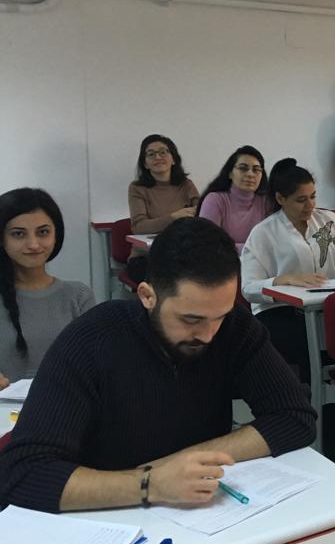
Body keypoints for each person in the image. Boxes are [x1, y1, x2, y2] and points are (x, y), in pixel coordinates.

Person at [0, 217, 316, 513]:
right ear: (148, 296)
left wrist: (185, 462)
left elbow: (294, 416)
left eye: (219, 316)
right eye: (190, 319)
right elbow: (24, 473)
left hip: (197, 516)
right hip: (107, 518)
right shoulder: (92, 340)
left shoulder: (234, 327)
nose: (208, 335)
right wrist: (151, 483)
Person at [241, 158, 335, 382]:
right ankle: (313, 394)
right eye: (301, 200)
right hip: (280, 311)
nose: (310, 205)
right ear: (281, 199)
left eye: (313, 197)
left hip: (325, 306)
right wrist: (284, 280)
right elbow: (248, 288)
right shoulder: (264, 232)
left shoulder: (330, 220)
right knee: (308, 341)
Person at [0, 188, 94, 386]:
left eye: (43, 232)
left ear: (56, 234)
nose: (34, 244)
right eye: (18, 234)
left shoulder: (78, 296)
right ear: (2, 239)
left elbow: (97, 362)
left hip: (68, 401)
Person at [127, 134, 199, 283]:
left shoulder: (186, 185)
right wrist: (173, 217)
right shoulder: (137, 188)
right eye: (151, 154)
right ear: (145, 164)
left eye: (163, 152)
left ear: (173, 159)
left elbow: (201, 214)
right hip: (147, 257)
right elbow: (139, 227)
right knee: (171, 281)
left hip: (181, 253)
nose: (158, 157)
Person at [197, 145, 273, 245]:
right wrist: (252, 249)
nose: (250, 174)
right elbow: (207, 243)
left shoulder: (266, 202)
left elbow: (273, 243)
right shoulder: (215, 200)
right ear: (230, 173)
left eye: (256, 170)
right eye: (243, 168)